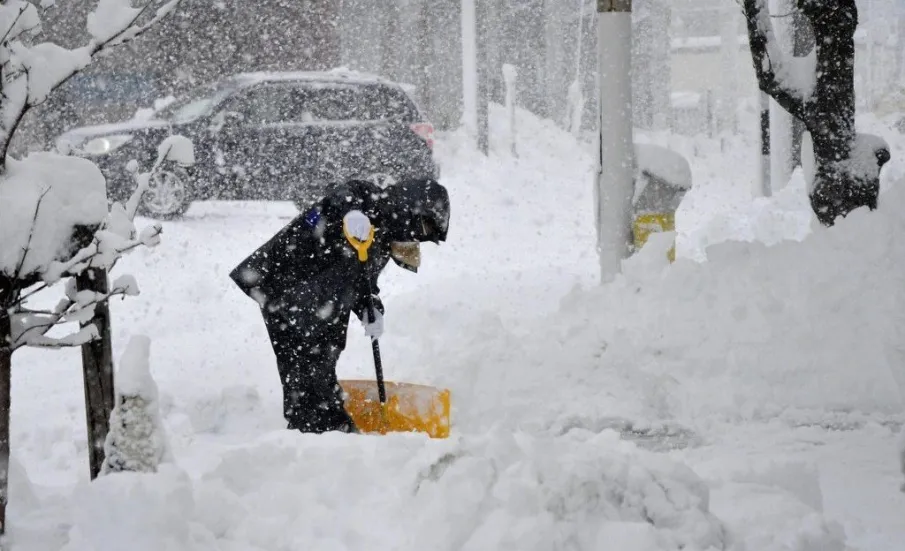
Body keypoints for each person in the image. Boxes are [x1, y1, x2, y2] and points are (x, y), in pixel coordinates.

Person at [229, 178, 450, 434]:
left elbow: (362, 281)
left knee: (315, 357)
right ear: (410, 206)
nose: (417, 237)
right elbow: (342, 194)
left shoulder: (382, 241)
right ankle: (324, 427)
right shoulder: (366, 198)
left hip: (317, 297)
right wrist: (353, 212)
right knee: (312, 355)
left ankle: (315, 425)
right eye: (422, 226)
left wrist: (370, 307)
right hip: (287, 284)